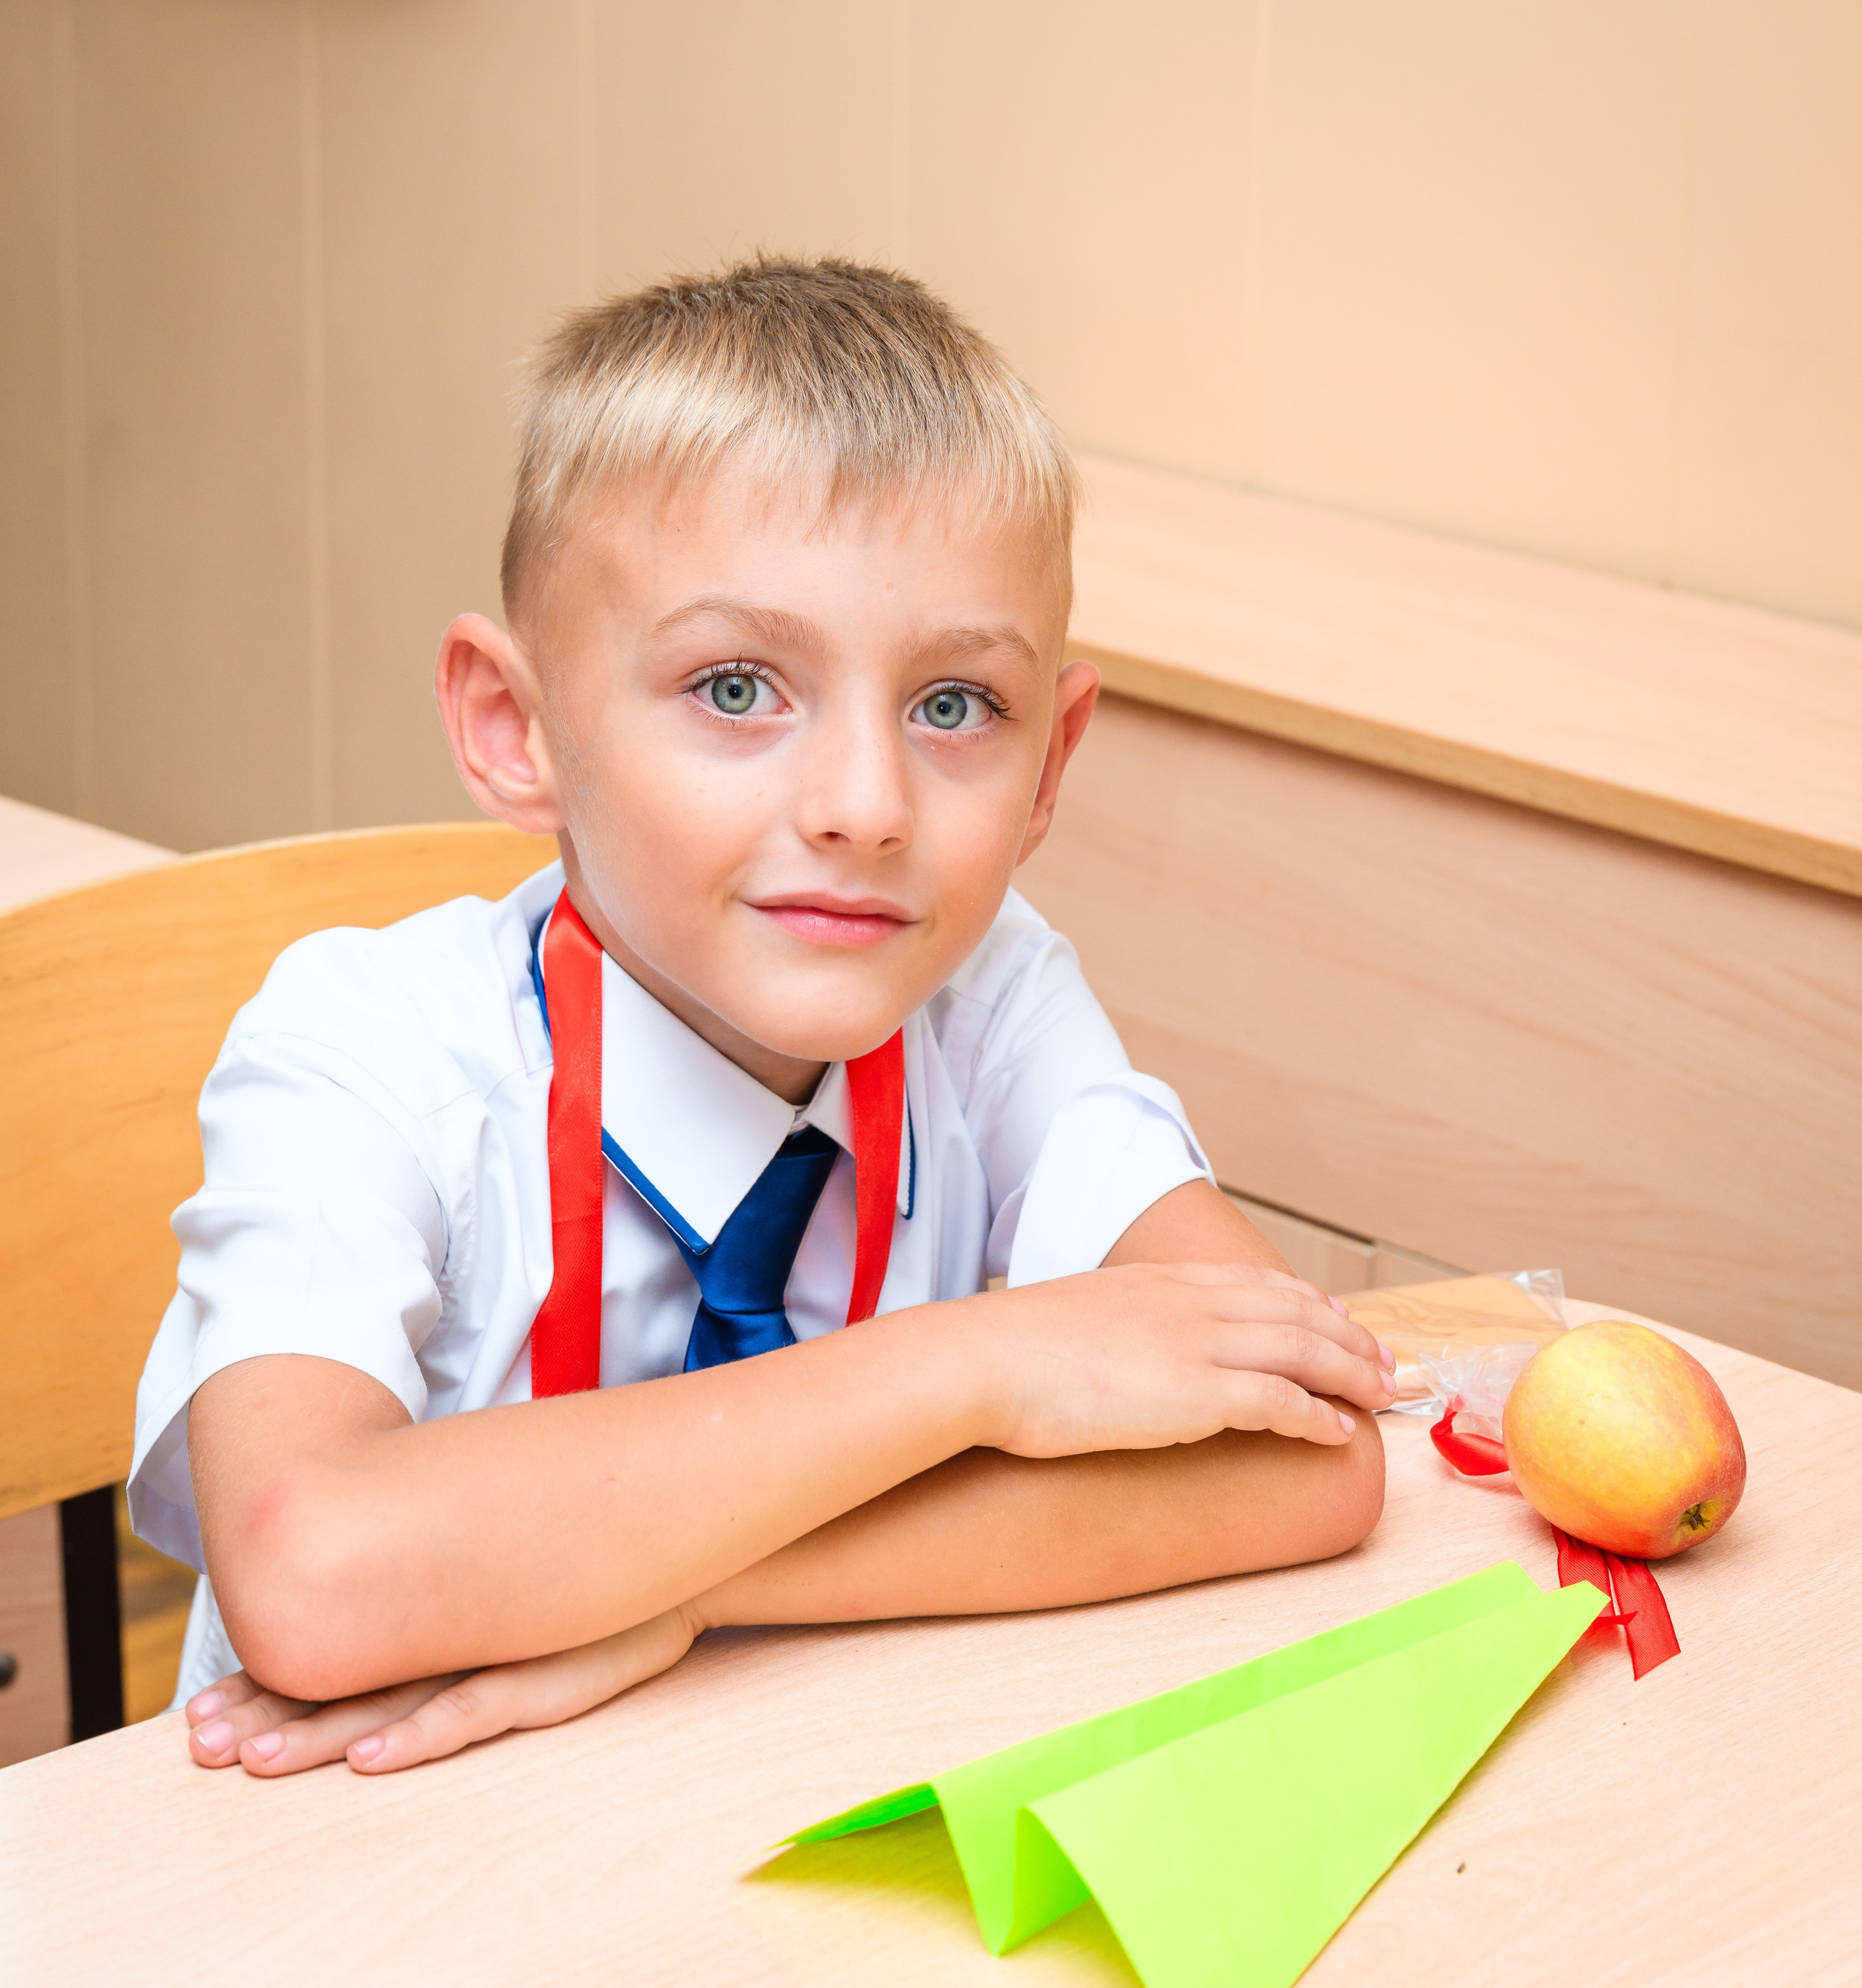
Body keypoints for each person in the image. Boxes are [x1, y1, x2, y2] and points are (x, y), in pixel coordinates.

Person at [129, 256, 1394, 1780]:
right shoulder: (362, 1046)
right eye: (736, 686)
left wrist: (682, 1587)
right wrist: (973, 1364)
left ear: (1050, 763)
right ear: (513, 727)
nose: (864, 807)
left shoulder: (985, 997)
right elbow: (315, 1576)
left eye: (951, 707)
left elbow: (1304, 1460)